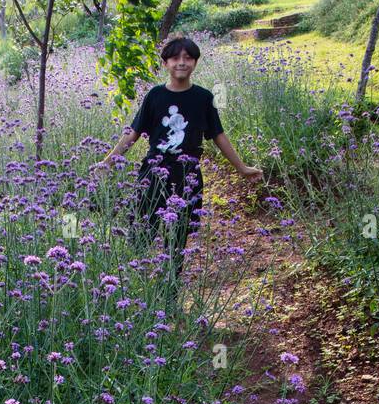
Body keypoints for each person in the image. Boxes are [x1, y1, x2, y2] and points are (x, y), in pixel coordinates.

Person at [98, 36, 263, 249]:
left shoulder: (203, 98)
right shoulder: (155, 95)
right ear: (165, 63)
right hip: (153, 173)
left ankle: (169, 281)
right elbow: (133, 133)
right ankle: (135, 278)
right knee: (141, 231)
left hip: (188, 176)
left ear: (195, 62)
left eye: (188, 58)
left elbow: (218, 135)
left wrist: (242, 168)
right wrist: (107, 163)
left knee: (177, 238)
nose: (182, 62)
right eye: (175, 58)